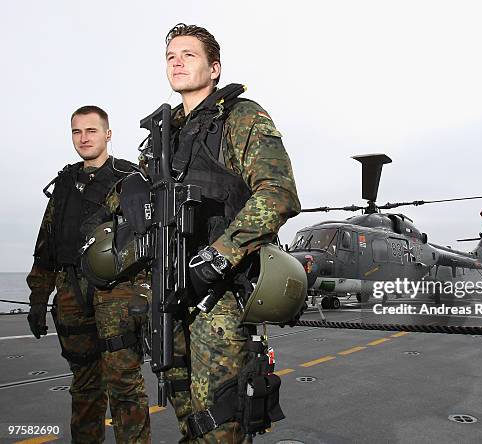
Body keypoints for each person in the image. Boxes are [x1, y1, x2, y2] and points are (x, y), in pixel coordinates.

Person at [159, 23, 301, 442]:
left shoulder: (241, 117)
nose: (177, 61)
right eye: (170, 56)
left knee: (220, 423)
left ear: (214, 67)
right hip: (169, 297)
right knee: (187, 416)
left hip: (217, 298)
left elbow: (278, 193)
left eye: (188, 54)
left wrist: (216, 257)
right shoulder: (162, 138)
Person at [26, 106, 151, 443]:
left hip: (117, 295)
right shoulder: (65, 183)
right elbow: (47, 244)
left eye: (91, 131)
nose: (83, 138)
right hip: (70, 295)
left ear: (107, 134)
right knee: (84, 388)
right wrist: (39, 298)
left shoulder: (131, 179)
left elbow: (150, 240)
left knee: (125, 387)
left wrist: (145, 292)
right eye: (76, 132)